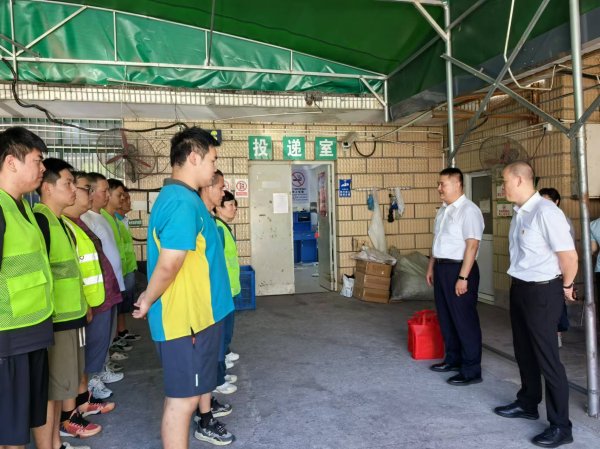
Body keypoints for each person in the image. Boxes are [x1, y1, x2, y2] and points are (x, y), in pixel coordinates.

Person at [133, 127, 235, 448]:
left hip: (197, 317)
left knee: (186, 397)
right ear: (193, 157)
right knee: (183, 401)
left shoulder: (186, 199)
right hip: (185, 320)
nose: (214, 168)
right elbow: (170, 263)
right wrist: (148, 299)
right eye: (212, 160)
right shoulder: (180, 202)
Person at [494, 161, 577, 448]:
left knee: (547, 358)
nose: (502, 186)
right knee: (524, 351)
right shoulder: (520, 213)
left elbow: (569, 257)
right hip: (520, 289)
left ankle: (561, 426)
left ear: (519, 180)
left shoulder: (546, 212)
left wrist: (565, 287)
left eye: (504, 181)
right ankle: (528, 403)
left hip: (543, 292)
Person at [32, 159, 101, 447]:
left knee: (61, 388)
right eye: (68, 183)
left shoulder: (59, 221)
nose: (74, 189)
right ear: (48, 188)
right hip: (56, 320)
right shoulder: (41, 221)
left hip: (70, 316)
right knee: (52, 391)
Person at [0, 127, 54, 449]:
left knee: (26, 419)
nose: (42, 168)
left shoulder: (26, 209)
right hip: (8, 337)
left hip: (33, 329)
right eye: (37, 160)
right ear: (11, 162)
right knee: (9, 428)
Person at [62, 171, 117, 409]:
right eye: (87, 189)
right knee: (81, 356)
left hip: (99, 297)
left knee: (92, 349)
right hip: (84, 304)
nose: (89, 194)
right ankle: (79, 404)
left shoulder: (80, 222)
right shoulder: (65, 224)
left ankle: (84, 399)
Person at [426, 167, 485, 386]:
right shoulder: (443, 210)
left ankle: (471, 370)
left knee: (464, 320)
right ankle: (453, 359)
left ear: (458, 184)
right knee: (446, 317)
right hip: (442, 268)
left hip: (460, 269)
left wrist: (463, 278)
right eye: (439, 184)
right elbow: (437, 241)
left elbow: (472, 245)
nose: (439, 188)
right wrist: (431, 267)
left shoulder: (469, 211)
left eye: (443, 184)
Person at [199, 171, 237, 397]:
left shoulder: (215, 224)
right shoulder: (211, 224)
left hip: (224, 291)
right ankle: (216, 380)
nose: (224, 194)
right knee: (216, 341)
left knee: (222, 338)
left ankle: (219, 376)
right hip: (216, 294)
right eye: (221, 189)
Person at [104, 179, 140, 344]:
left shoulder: (116, 220)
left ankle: (119, 334)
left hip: (124, 270)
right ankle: (114, 340)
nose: (124, 199)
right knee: (115, 309)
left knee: (122, 306)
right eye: (120, 196)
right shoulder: (103, 219)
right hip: (115, 275)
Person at [539, 187, 573, 345]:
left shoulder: (562, 219)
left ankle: (557, 335)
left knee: (557, 306)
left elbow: (568, 251)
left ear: (557, 202)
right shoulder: (536, 216)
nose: (544, 204)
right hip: (541, 272)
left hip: (557, 271)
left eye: (548, 201)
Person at [214, 190, 241, 372]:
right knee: (223, 326)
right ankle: (221, 356)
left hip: (230, 286)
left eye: (235, 205)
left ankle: (225, 351)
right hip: (224, 287)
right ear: (218, 207)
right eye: (230, 205)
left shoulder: (223, 227)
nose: (234, 209)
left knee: (228, 325)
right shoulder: (218, 228)